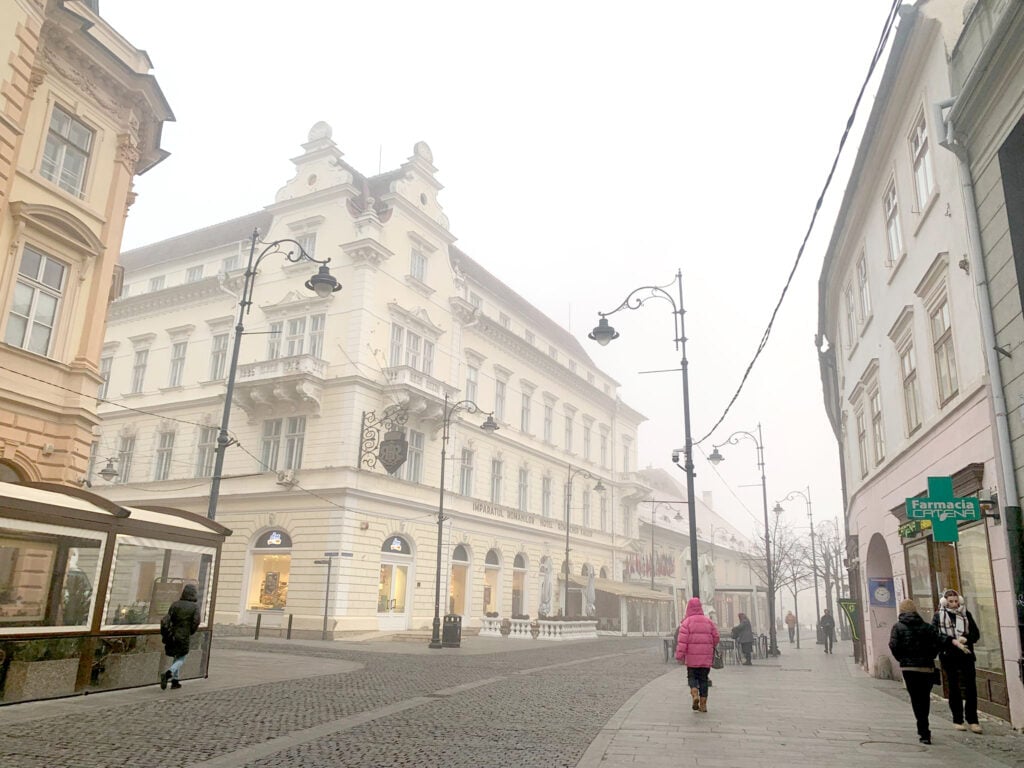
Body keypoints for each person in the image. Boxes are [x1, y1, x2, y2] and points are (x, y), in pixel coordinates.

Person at [889, 597, 962, 745]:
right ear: (915, 611)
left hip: (909, 669)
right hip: (926, 668)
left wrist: (902, 659)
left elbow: (893, 646)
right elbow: (939, 641)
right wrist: (931, 655)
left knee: (916, 699)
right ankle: (924, 728)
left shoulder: (897, 627)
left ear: (901, 612)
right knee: (924, 698)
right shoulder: (927, 627)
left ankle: (923, 731)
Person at [932, 588, 982, 733]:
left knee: (970, 687)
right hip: (949, 656)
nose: (954, 604)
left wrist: (966, 638)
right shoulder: (939, 616)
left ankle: (973, 720)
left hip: (966, 655)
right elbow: (935, 635)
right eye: (951, 601)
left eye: (956, 601)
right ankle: (957, 719)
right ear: (945, 602)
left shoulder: (966, 614)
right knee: (954, 687)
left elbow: (975, 634)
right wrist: (951, 641)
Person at [675, 596, 720, 713]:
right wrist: (710, 646)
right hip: (706, 657)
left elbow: (682, 641)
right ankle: (703, 705)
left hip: (692, 658)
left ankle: (694, 693)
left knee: (692, 677)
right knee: (704, 679)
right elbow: (716, 637)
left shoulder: (686, 623)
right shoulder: (708, 621)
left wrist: (679, 655)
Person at [159, 583, 201, 690]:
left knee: (176, 656)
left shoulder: (175, 604)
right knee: (182, 657)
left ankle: (175, 681)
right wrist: (190, 631)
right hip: (184, 635)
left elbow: (168, 618)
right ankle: (168, 673)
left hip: (173, 634)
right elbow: (196, 622)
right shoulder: (194, 607)